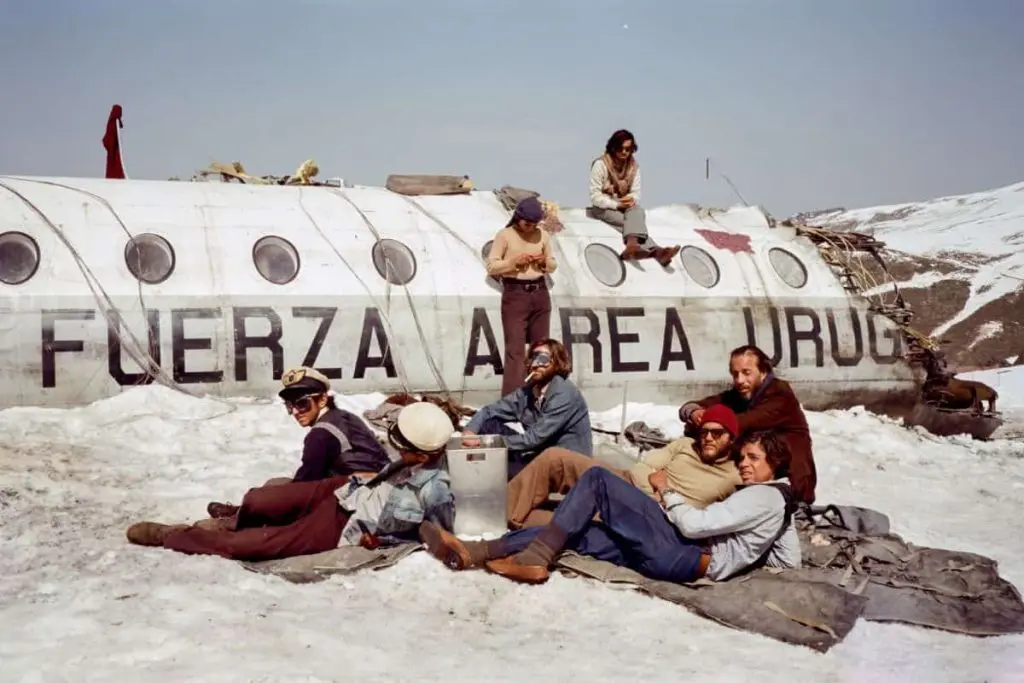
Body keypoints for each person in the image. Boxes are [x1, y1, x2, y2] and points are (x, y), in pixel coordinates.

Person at [419, 430, 800, 586]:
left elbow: (696, 526)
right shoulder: (779, 502)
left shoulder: (761, 496)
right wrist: (758, 560)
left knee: (599, 481)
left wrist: (668, 493)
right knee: (578, 531)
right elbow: (789, 558)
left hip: (684, 549)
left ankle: (533, 558)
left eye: (754, 458)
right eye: (745, 457)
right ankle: (478, 551)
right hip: (675, 562)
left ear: (775, 466)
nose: (745, 464)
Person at [124, 402, 457, 561]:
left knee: (252, 547)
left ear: (423, 453)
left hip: (346, 523)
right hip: (348, 488)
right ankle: (239, 518)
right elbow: (389, 477)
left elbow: (430, 533)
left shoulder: (437, 489)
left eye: (402, 444)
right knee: (261, 498)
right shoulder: (418, 456)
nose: (395, 445)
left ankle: (175, 535)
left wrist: (381, 543)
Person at [506, 404, 743, 529]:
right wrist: (657, 487)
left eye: (717, 433)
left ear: (731, 438)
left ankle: (513, 520)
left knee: (566, 518)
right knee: (556, 458)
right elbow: (644, 467)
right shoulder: (685, 445)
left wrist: (662, 491)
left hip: (646, 512)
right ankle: (500, 515)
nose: (708, 438)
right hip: (626, 480)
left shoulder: (735, 475)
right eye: (705, 432)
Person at [205, 366, 392, 517]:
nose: (295, 412)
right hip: (378, 490)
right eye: (290, 406)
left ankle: (239, 514)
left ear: (322, 400)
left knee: (270, 492)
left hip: (356, 497)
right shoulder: (344, 416)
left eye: (302, 403)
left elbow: (305, 484)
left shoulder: (320, 434)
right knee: (276, 483)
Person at [678, 345, 817, 505]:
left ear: (763, 372)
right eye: (735, 374)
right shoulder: (741, 394)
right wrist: (694, 412)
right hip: (757, 481)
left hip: (789, 488)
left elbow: (740, 423)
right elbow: (693, 406)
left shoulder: (781, 397)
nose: (740, 380)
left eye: (746, 373)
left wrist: (704, 425)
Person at [462, 338, 592, 479]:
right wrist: (470, 431)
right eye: (532, 358)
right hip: (540, 454)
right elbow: (490, 410)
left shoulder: (564, 393)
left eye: (543, 359)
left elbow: (533, 439)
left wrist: (489, 443)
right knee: (489, 425)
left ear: (557, 363)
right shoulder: (528, 392)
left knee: (502, 470)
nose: (535, 365)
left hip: (566, 466)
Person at [485, 196, 558, 397]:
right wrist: (514, 263)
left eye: (534, 224)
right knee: (515, 352)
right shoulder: (505, 235)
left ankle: (540, 396)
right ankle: (512, 401)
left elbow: (552, 264)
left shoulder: (542, 235)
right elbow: (491, 265)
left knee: (542, 350)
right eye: (527, 223)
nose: (530, 227)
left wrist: (543, 262)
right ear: (518, 218)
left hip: (540, 293)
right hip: (515, 293)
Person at [588, 129, 680, 267]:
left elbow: (636, 193)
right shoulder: (600, 165)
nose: (624, 152)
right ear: (613, 147)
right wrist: (617, 205)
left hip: (624, 205)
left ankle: (632, 247)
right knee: (632, 225)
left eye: (628, 149)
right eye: (621, 148)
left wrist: (629, 200)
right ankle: (656, 251)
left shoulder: (633, 167)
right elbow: (595, 197)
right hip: (604, 206)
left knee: (638, 211)